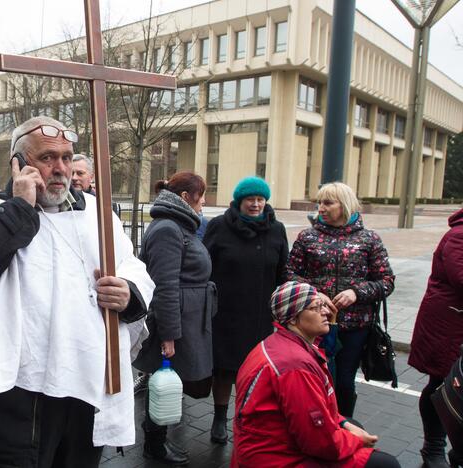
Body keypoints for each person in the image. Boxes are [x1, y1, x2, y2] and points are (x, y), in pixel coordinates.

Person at [0, 116, 154, 467]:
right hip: (19, 395)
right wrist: (20, 209)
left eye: (67, 158)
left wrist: (127, 292)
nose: (60, 168)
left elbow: (133, 267)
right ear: (18, 164)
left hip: (86, 384)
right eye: (48, 157)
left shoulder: (98, 215)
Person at [232, 281, 401, 468]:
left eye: (323, 305)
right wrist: (357, 441)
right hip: (276, 457)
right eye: (315, 307)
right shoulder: (294, 365)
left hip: (270, 443)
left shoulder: (279, 343)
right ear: (293, 319)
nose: (326, 312)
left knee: (353, 424)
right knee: (386, 464)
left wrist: (344, 424)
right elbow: (319, 442)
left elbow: (313, 414)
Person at [287, 182, 394, 418]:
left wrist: (356, 292)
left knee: (345, 382)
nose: (321, 208)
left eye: (328, 203)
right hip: (313, 324)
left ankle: (342, 427)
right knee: (313, 379)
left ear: (343, 205)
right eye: (320, 202)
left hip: (355, 326)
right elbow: (290, 273)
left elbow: (386, 281)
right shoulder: (307, 236)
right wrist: (315, 292)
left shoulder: (369, 239)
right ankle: (315, 425)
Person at [133, 172, 214, 465]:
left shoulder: (178, 226)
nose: (204, 201)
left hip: (182, 320)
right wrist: (169, 334)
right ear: (185, 198)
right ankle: (154, 443)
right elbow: (164, 286)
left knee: (166, 380)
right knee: (162, 379)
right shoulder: (169, 229)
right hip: (174, 322)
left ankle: (157, 439)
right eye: (201, 195)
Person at [203, 175, 288, 444]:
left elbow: (282, 270)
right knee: (225, 369)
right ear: (240, 201)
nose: (256, 204)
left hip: (261, 314)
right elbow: (205, 265)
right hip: (226, 312)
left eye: (260, 199)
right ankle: (219, 417)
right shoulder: (219, 227)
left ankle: (245, 418)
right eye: (250, 199)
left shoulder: (276, 229)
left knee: (255, 372)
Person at [408, 206, 463, 467]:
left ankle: (457, 451)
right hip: (448, 325)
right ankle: (433, 448)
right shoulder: (459, 236)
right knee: (442, 384)